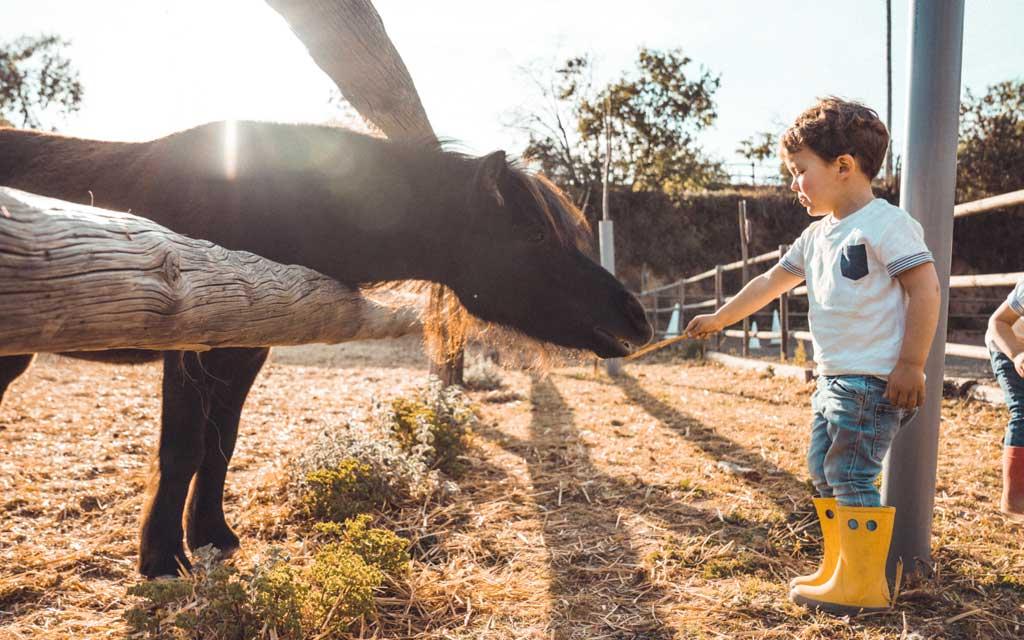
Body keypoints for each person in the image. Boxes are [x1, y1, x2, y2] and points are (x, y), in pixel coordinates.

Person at [684, 97, 941, 615]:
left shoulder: (885, 225)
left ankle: (865, 586)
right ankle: (841, 569)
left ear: (843, 166)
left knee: (850, 474)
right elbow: (767, 282)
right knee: (824, 473)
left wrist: (911, 363)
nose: (794, 183)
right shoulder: (815, 235)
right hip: (833, 381)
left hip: (871, 380)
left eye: (800, 171)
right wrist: (719, 318)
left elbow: (926, 289)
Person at [986, 277, 1024, 520]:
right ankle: (1015, 500)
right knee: (1023, 411)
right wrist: (1018, 355)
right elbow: (997, 322)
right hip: (1009, 345)